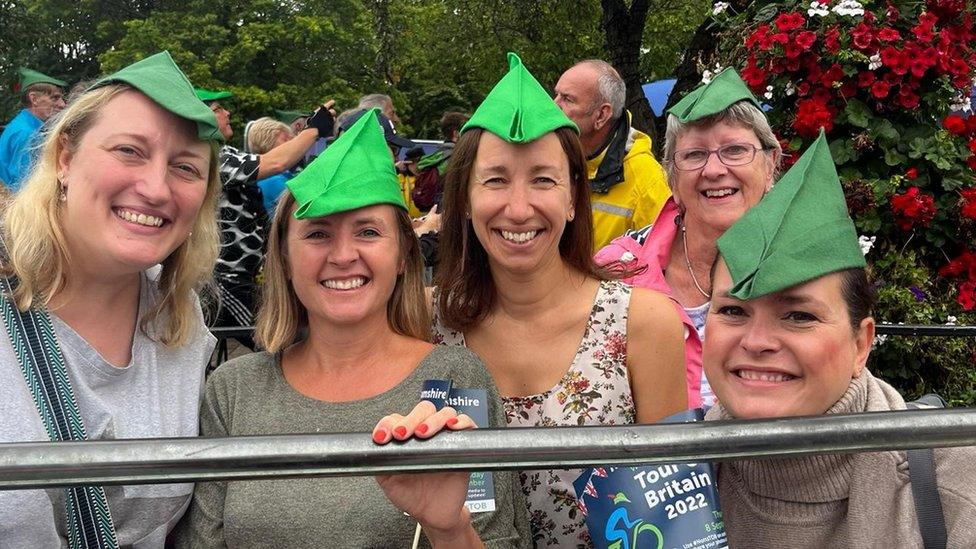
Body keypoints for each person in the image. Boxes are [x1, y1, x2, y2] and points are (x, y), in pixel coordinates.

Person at [175, 110, 530, 548]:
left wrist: (450, 529)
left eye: (367, 232)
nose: (343, 256)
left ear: (403, 256)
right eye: (318, 234)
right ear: (284, 260)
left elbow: (501, 540)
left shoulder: (457, 382)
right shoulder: (233, 391)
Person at [433, 53, 687, 547]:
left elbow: (675, 523)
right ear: (464, 199)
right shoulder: (427, 323)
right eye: (497, 179)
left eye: (543, 179)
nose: (520, 207)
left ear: (574, 198)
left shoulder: (643, 322)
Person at [704, 133, 976, 547]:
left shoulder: (956, 490)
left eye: (799, 315)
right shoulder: (669, 479)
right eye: (732, 311)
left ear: (861, 344)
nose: (756, 341)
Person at [0, 51, 222, 547]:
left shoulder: (181, 323)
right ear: (64, 159)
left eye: (186, 168)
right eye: (129, 150)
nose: (156, 187)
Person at [595, 68, 782, 408]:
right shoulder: (616, 271)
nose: (713, 170)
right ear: (670, 176)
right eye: (694, 155)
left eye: (736, 150)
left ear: (771, 164)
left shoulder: (809, 268)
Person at [196, 87, 336, 349]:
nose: (227, 113)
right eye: (217, 109)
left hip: (240, 279)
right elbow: (274, 163)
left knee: (282, 338)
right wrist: (313, 129)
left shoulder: (227, 155)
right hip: (224, 283)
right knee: (274, 343)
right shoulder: (209, 158)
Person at [553, 60, 671, 250]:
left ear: (601, 116)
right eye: (556, 95)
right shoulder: (553, 157)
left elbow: (659, 262)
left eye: (567, 99)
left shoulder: (648, 182)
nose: (553, 106)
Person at [0, 67, 67, 191]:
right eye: (55, 98)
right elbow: (26, 188)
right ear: (34, 99)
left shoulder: (23, 124)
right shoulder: (28, 134)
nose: (62, 104)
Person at [245, 116, 294, 213]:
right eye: (285, 139)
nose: (292, 142)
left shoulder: (270, 178)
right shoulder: (274, 181)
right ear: (267, 144)